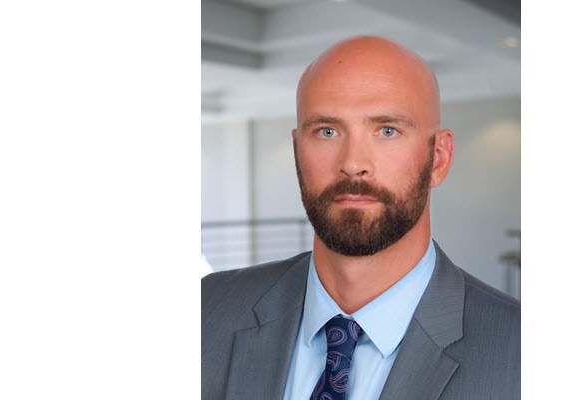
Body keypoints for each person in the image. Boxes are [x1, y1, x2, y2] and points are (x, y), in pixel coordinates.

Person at [202, 35, 520, 400]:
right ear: (296, 151)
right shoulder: (205, 310)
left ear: (439, 158)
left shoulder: (520, 353)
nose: (353, 163)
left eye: (387, 131)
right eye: (327, 131)